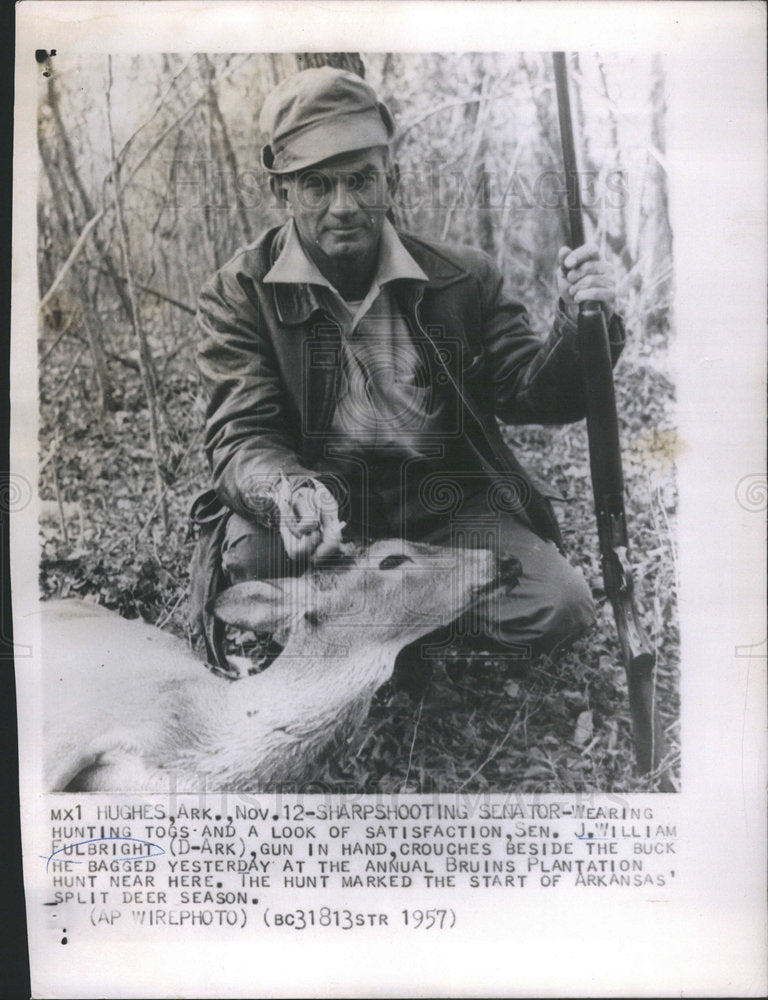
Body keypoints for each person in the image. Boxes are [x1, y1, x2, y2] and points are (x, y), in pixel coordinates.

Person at [193, 66, 624, 669]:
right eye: (316, 185)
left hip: (444, 508)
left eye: (362, 180)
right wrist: (290, 492)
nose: (343, 207)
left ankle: (379, 629)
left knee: (559, 604)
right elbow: (241, 434)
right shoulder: (241, 293)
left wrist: (582, 327)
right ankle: (392, 615)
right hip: (326, 512)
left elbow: (537, 395)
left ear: (391, 180)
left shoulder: (462, 278)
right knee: (257, 560)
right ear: (281, 192)